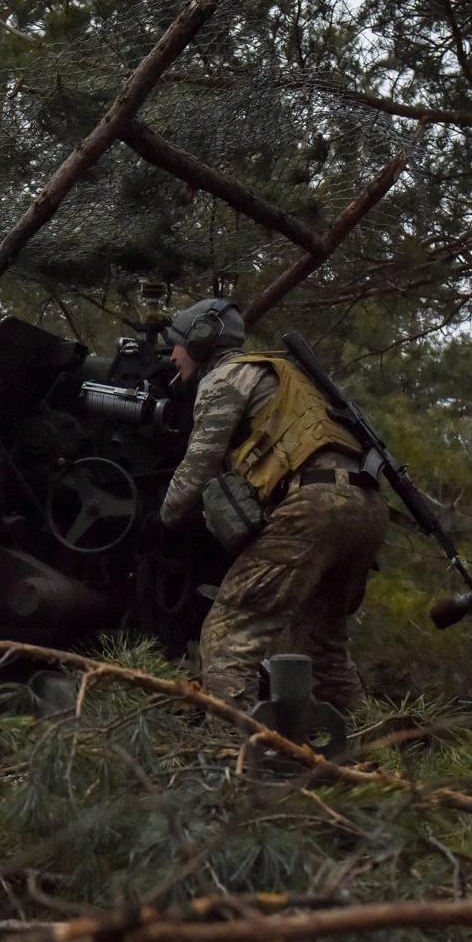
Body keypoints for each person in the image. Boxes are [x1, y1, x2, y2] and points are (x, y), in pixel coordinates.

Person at [157, 298, 388, 716]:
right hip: (367, 505)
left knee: (227, 636)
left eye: (174, 344)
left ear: (201, 342)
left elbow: (199, 465)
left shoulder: (228, 377)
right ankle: (373, 756)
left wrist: (166, 515)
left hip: (315, 505)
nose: (171, 355)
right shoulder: (289, 378)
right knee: (322, 647)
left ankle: (237, 756)